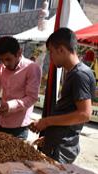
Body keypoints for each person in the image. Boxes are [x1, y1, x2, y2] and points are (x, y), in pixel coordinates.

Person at [30, 28, 96, 164]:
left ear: (61, 50)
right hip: (58, 143)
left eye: (51, 52)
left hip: (61, 149)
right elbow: (69, 111)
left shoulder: (80, 74)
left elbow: (84, 114)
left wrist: (47, 122)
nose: (51, 57)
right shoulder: (76, 72)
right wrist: (50, 137)